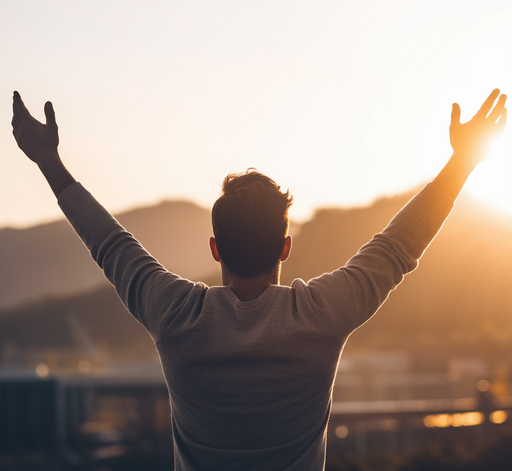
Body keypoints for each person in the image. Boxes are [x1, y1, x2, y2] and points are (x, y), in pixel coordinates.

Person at [11, 89, 507, 470]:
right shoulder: (321, 315)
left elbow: (109, 244)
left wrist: (50, 162)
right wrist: (462, 162)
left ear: (215, 250)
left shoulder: (175, 314)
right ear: (286, 248)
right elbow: (399, 246)